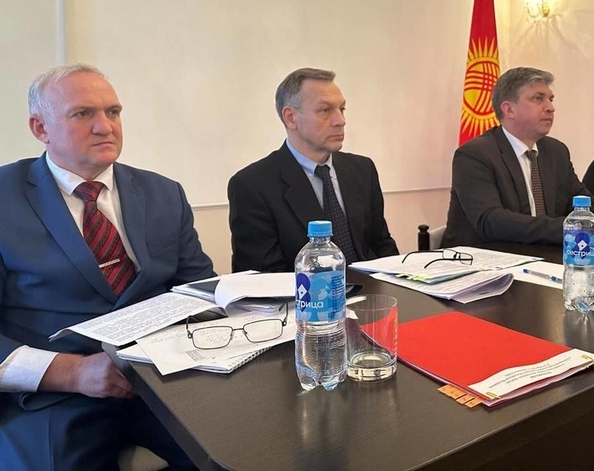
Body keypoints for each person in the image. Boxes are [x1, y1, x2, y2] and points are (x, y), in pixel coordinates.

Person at [0, 65, 215, 470]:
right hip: (55, 394)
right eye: (83, 114)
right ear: (40, 128)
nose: (105, 126)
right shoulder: (5, 198)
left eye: (113, 112)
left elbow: (200, 291)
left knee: (242, 450)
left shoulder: (163, 193)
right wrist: (72, 373)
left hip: (161, 381)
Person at [442, 67, 594, 247]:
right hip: (478, 266)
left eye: (550, 99)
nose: (550, 107)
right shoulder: (474, 155)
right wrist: (579, 227)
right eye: (538, 99)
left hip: (538, 259)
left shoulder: (555, 151)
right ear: (509, 110)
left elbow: (581, 199)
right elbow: (491, 222)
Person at [228, 68, 398, 272]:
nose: (340, 121)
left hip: (371, 290)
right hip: (302, 292)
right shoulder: (252, 185)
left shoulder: (363, 170)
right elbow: (264, 277)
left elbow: (381, 245)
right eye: (325, 110)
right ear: (291, 118)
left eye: (342, 109)